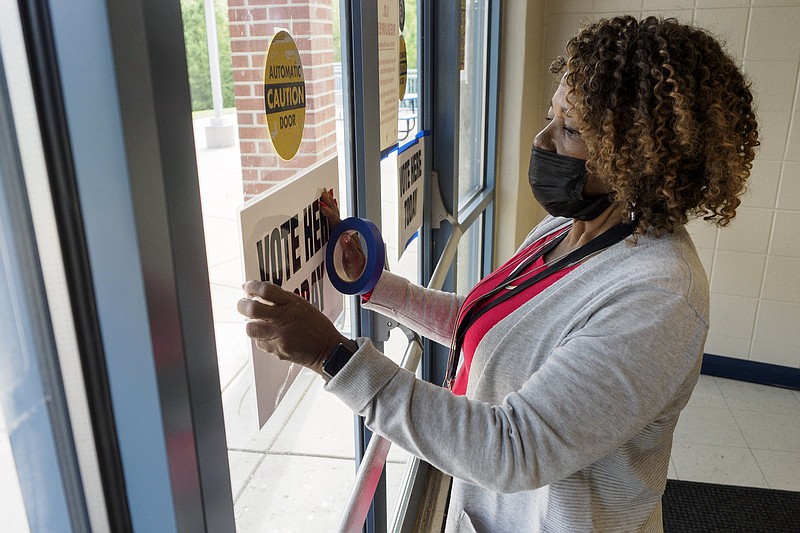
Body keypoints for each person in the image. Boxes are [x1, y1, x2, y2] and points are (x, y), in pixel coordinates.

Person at [238, 15, 758, 533]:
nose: (543, 139)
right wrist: (374, 283)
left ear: (639, 158)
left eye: (570, 129)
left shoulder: (659, 295)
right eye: (552, 115)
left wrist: (333, 357)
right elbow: (485, 326)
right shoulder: (565, 228)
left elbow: (512, 448)